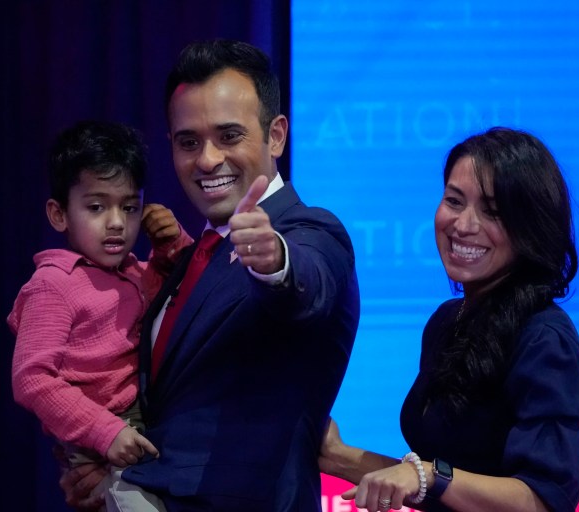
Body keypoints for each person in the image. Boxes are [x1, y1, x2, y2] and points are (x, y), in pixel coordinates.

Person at [60, 39, 360, 511]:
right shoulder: (188, 258)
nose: (206, 159)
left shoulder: (308, 230)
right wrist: (106, 468)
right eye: (188, 142)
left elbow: (307, 284)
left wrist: (274, 260)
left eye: (229, 136)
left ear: (276, 135)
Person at [318, 127, 579, 512]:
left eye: (493, 212)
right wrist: (337, 455)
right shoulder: (448, 322)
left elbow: (541, 500)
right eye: (454, 201)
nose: (464, 225)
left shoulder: (544, 337)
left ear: (530, 228)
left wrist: (431, 475)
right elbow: (441, 489)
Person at [8, 120, 193, 512]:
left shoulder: (133, 271)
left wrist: (170, 243)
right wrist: (105, 433)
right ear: (59, 215)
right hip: (102, 436)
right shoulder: (53, 284)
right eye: (96, 207)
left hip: (144, 422)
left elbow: (184, 296)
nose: (115, 222)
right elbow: (31, 378)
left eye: (129, 207)